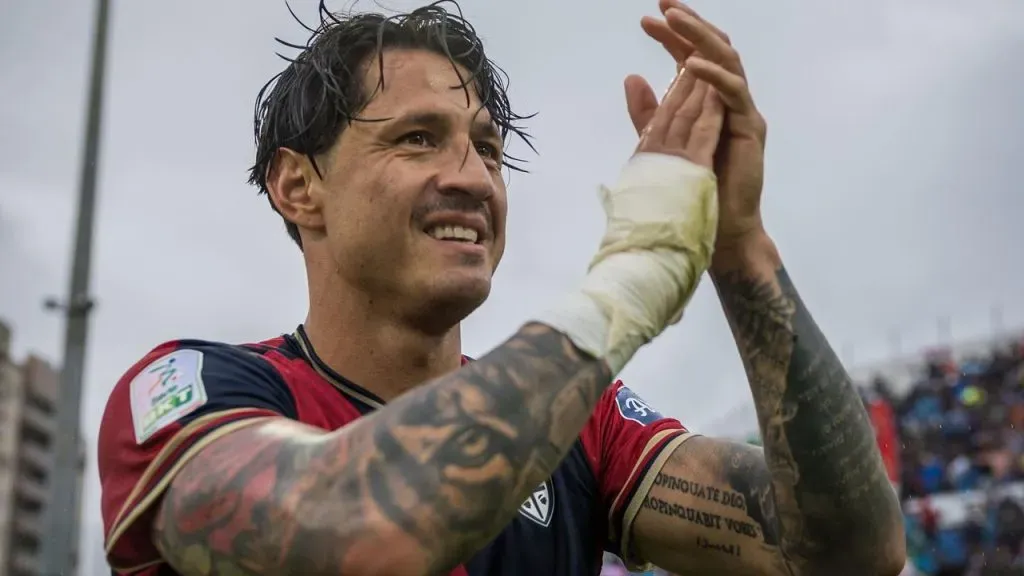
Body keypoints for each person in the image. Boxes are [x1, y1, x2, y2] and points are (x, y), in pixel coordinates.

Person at [98, 1, 906, 574]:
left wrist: (739, 248)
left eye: (487, 149)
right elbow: (356, 534)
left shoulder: (580, 420)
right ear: (298, 186)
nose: (474, 179)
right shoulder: (191, 394)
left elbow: (849, 553)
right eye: (419, 139)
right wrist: (629, 282)